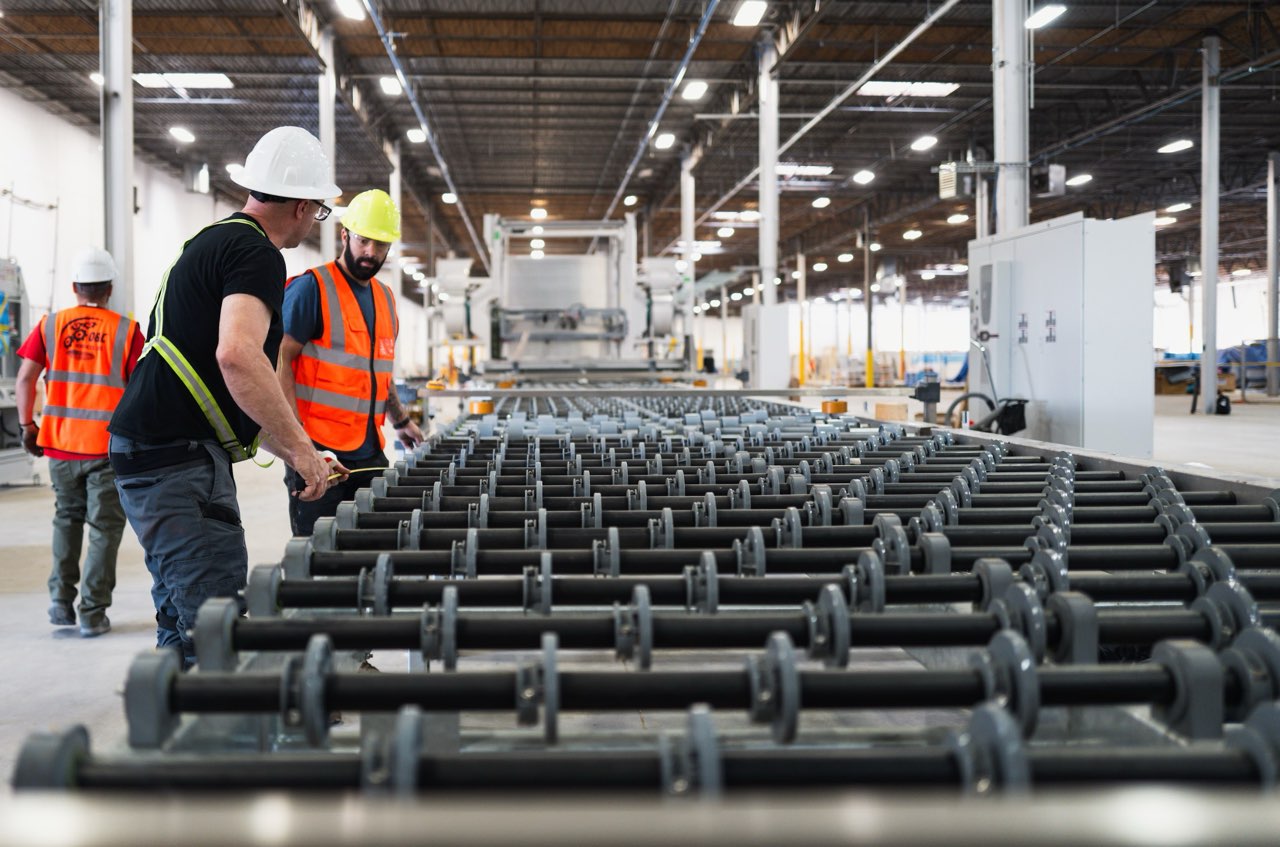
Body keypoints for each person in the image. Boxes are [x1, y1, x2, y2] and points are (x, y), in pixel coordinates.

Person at [107, 126, 346, 669]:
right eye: (319, 212)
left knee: (182, 613)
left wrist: (298, 450)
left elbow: (227, 389)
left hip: (149, 453)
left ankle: (172, 727)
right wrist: (303, 451)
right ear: (303, 205)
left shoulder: (212, 241)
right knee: (214, 624)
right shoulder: (257, 254)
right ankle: (211, 741)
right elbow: (238, 358)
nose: (314, 223)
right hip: (177, 461)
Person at [277, 189, 424, 536]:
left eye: (381, 245)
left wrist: (400, 420)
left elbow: (377, 372)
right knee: (320, 557)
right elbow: (278, 361)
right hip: (319, 452)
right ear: (345, 235)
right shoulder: (312, 288)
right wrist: (296, 442)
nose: (370, 252)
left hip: (370, 451)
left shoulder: (386, 298)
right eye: (363, 240)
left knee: (374, 550)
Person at [14, 248, 143, 637]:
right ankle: (92, 612)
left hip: (59, 446)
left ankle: (59, 603)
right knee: (104, 528)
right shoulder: (127, 330)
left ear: (74, 287)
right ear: (109, 289)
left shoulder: (50, 325)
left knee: (67, 519)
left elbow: (25, 379)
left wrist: (27, 426)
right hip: (107, 449)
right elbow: (140, 390)